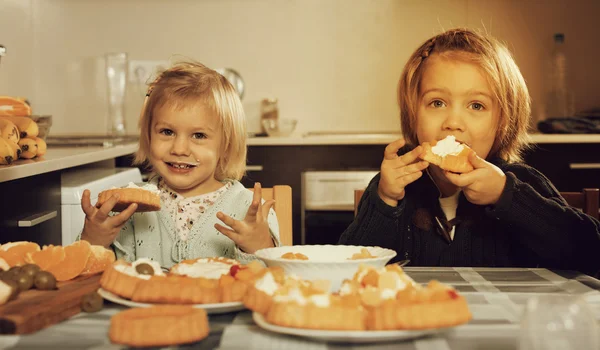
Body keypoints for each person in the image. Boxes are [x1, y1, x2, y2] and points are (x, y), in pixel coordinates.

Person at [339, 28, 600, 275]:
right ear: (413, 115)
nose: (453, 122)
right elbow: (349, 269)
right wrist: (385, 199)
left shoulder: (520, 183)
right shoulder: (395, 189)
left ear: (503, 121)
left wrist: (506, 196)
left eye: (476, 106)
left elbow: (590, 253)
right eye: (437, 102)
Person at [80, 61, 280, 268]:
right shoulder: (125, 209)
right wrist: (94, 240)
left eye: (199, 135)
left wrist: (259, 247)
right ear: (148, 136)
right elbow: (94, 276)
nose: (180, 149)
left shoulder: (251, 213)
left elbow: (273, 282)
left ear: (226, 145)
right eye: (167, 132)